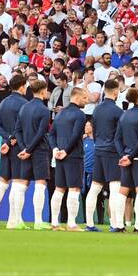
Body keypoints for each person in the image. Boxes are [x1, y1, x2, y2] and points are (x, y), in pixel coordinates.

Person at [0, 73, 27, 227]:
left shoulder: (2, 103)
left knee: (2, 182)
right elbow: (21, 126)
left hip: (4, 145)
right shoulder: (24, 103)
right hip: (18, 146)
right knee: (17, 183)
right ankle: (12, 220)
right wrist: (12, 139)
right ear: (22, 86)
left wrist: (7, 139)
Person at [12, 77, 53, 230]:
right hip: (39, 151)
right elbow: (41, 132)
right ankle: (38, 221)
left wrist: (24, 148)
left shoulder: (24, 108)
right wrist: (29, 150)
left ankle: (18, 221)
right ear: (43, 91)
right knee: (40, 185)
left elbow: (17, 131)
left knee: (22, 185)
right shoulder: (44, 110)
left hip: (25, 151)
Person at [83, 77, 123, 232]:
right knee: (115, 188)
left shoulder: (96, 109)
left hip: (98, 150)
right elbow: (120, 135)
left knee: (94, 188)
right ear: (116, 91)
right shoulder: (118, 111)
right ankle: (115, 224)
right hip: (112, 152)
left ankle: (89, 224)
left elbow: (95, 131)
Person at [112, 87, 138, 235]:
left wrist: (124, 156)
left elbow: (117, 139)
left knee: (123, 191)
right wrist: (130, 157)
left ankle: (118, 225)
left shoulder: (124, 115)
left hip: (126, 158)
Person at [50, 84, 88, 231]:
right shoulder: (80, 115)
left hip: (59, 156)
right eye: (84, 98)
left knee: (59, 189)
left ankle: (54, 222)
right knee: (74, 189)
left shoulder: (60, 114)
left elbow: (51, 134)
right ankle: (71, 223)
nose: (86, 101)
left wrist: (55, 149)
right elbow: (76, 135)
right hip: (74, 156)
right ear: (77, 97)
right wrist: (66, 151)